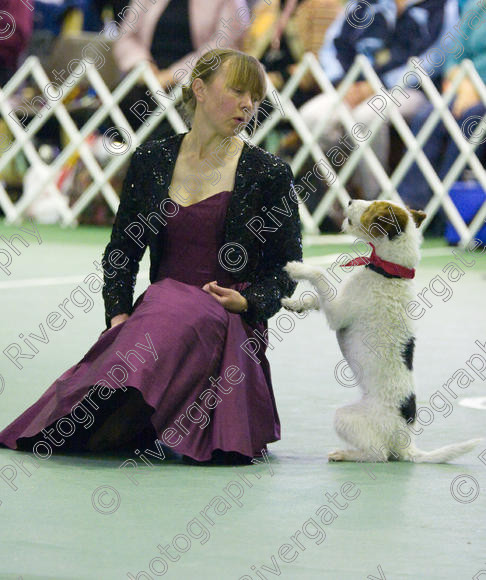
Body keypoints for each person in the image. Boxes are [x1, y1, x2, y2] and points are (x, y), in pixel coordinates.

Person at [0, 49, 303, 465]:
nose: (249, 105)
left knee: (105, 403)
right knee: (154, 321)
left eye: (255, 96)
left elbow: (287, 270)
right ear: (199, 88)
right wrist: (119, 316)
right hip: (161, 314)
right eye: (237, 91)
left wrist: (249, 302)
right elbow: (122, 251)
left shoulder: (268, 173)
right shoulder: (152, 159)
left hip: (227, 322)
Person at [278, 0, 459, 198]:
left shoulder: (442, 6)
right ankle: (338, 203)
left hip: (411, 89)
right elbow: (332, 46)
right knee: (311, 117)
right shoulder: (359, 4)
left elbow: (436, 56)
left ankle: (374, 203)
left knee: (367, 117)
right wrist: (343, 82)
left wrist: (378, 84)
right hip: (350, 86)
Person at [397, 0, 486, 231]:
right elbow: (454, 52)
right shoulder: (476, 7)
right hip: (464, 87)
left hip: (479, 90)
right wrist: (457, 80)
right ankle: (411, 207)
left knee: (471, 118)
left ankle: (451, 213)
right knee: (428, 116)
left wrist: (476, 85)